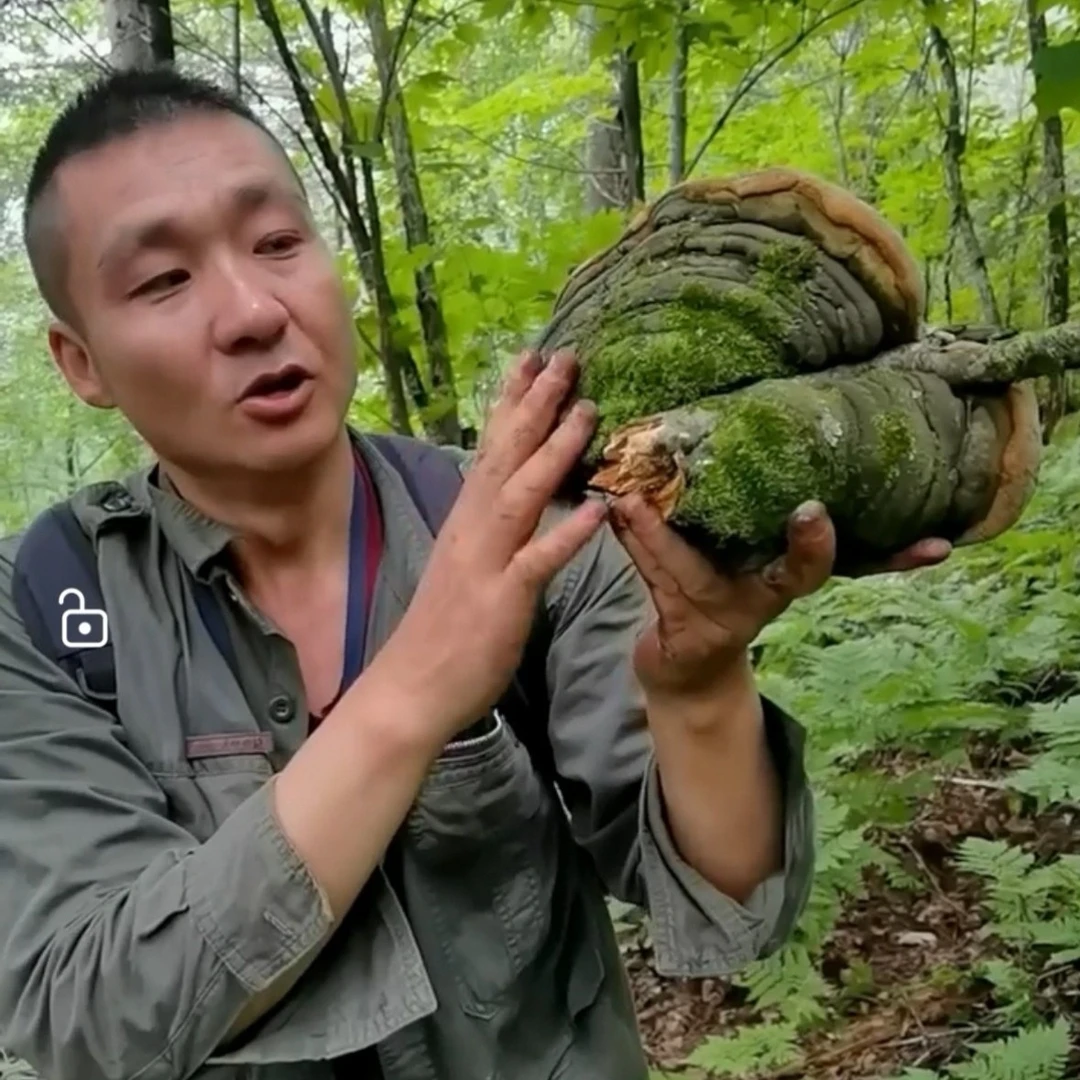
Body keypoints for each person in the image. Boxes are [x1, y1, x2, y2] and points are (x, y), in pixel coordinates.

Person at [0, 66, 950, 1080]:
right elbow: (90, 1013)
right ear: (82, 363)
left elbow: (727, 902)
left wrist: (703, 684)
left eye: (278, 243)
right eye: (163, 281)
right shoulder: (50, 607)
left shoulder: (521, 525)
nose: (251, 311)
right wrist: (420, 684)